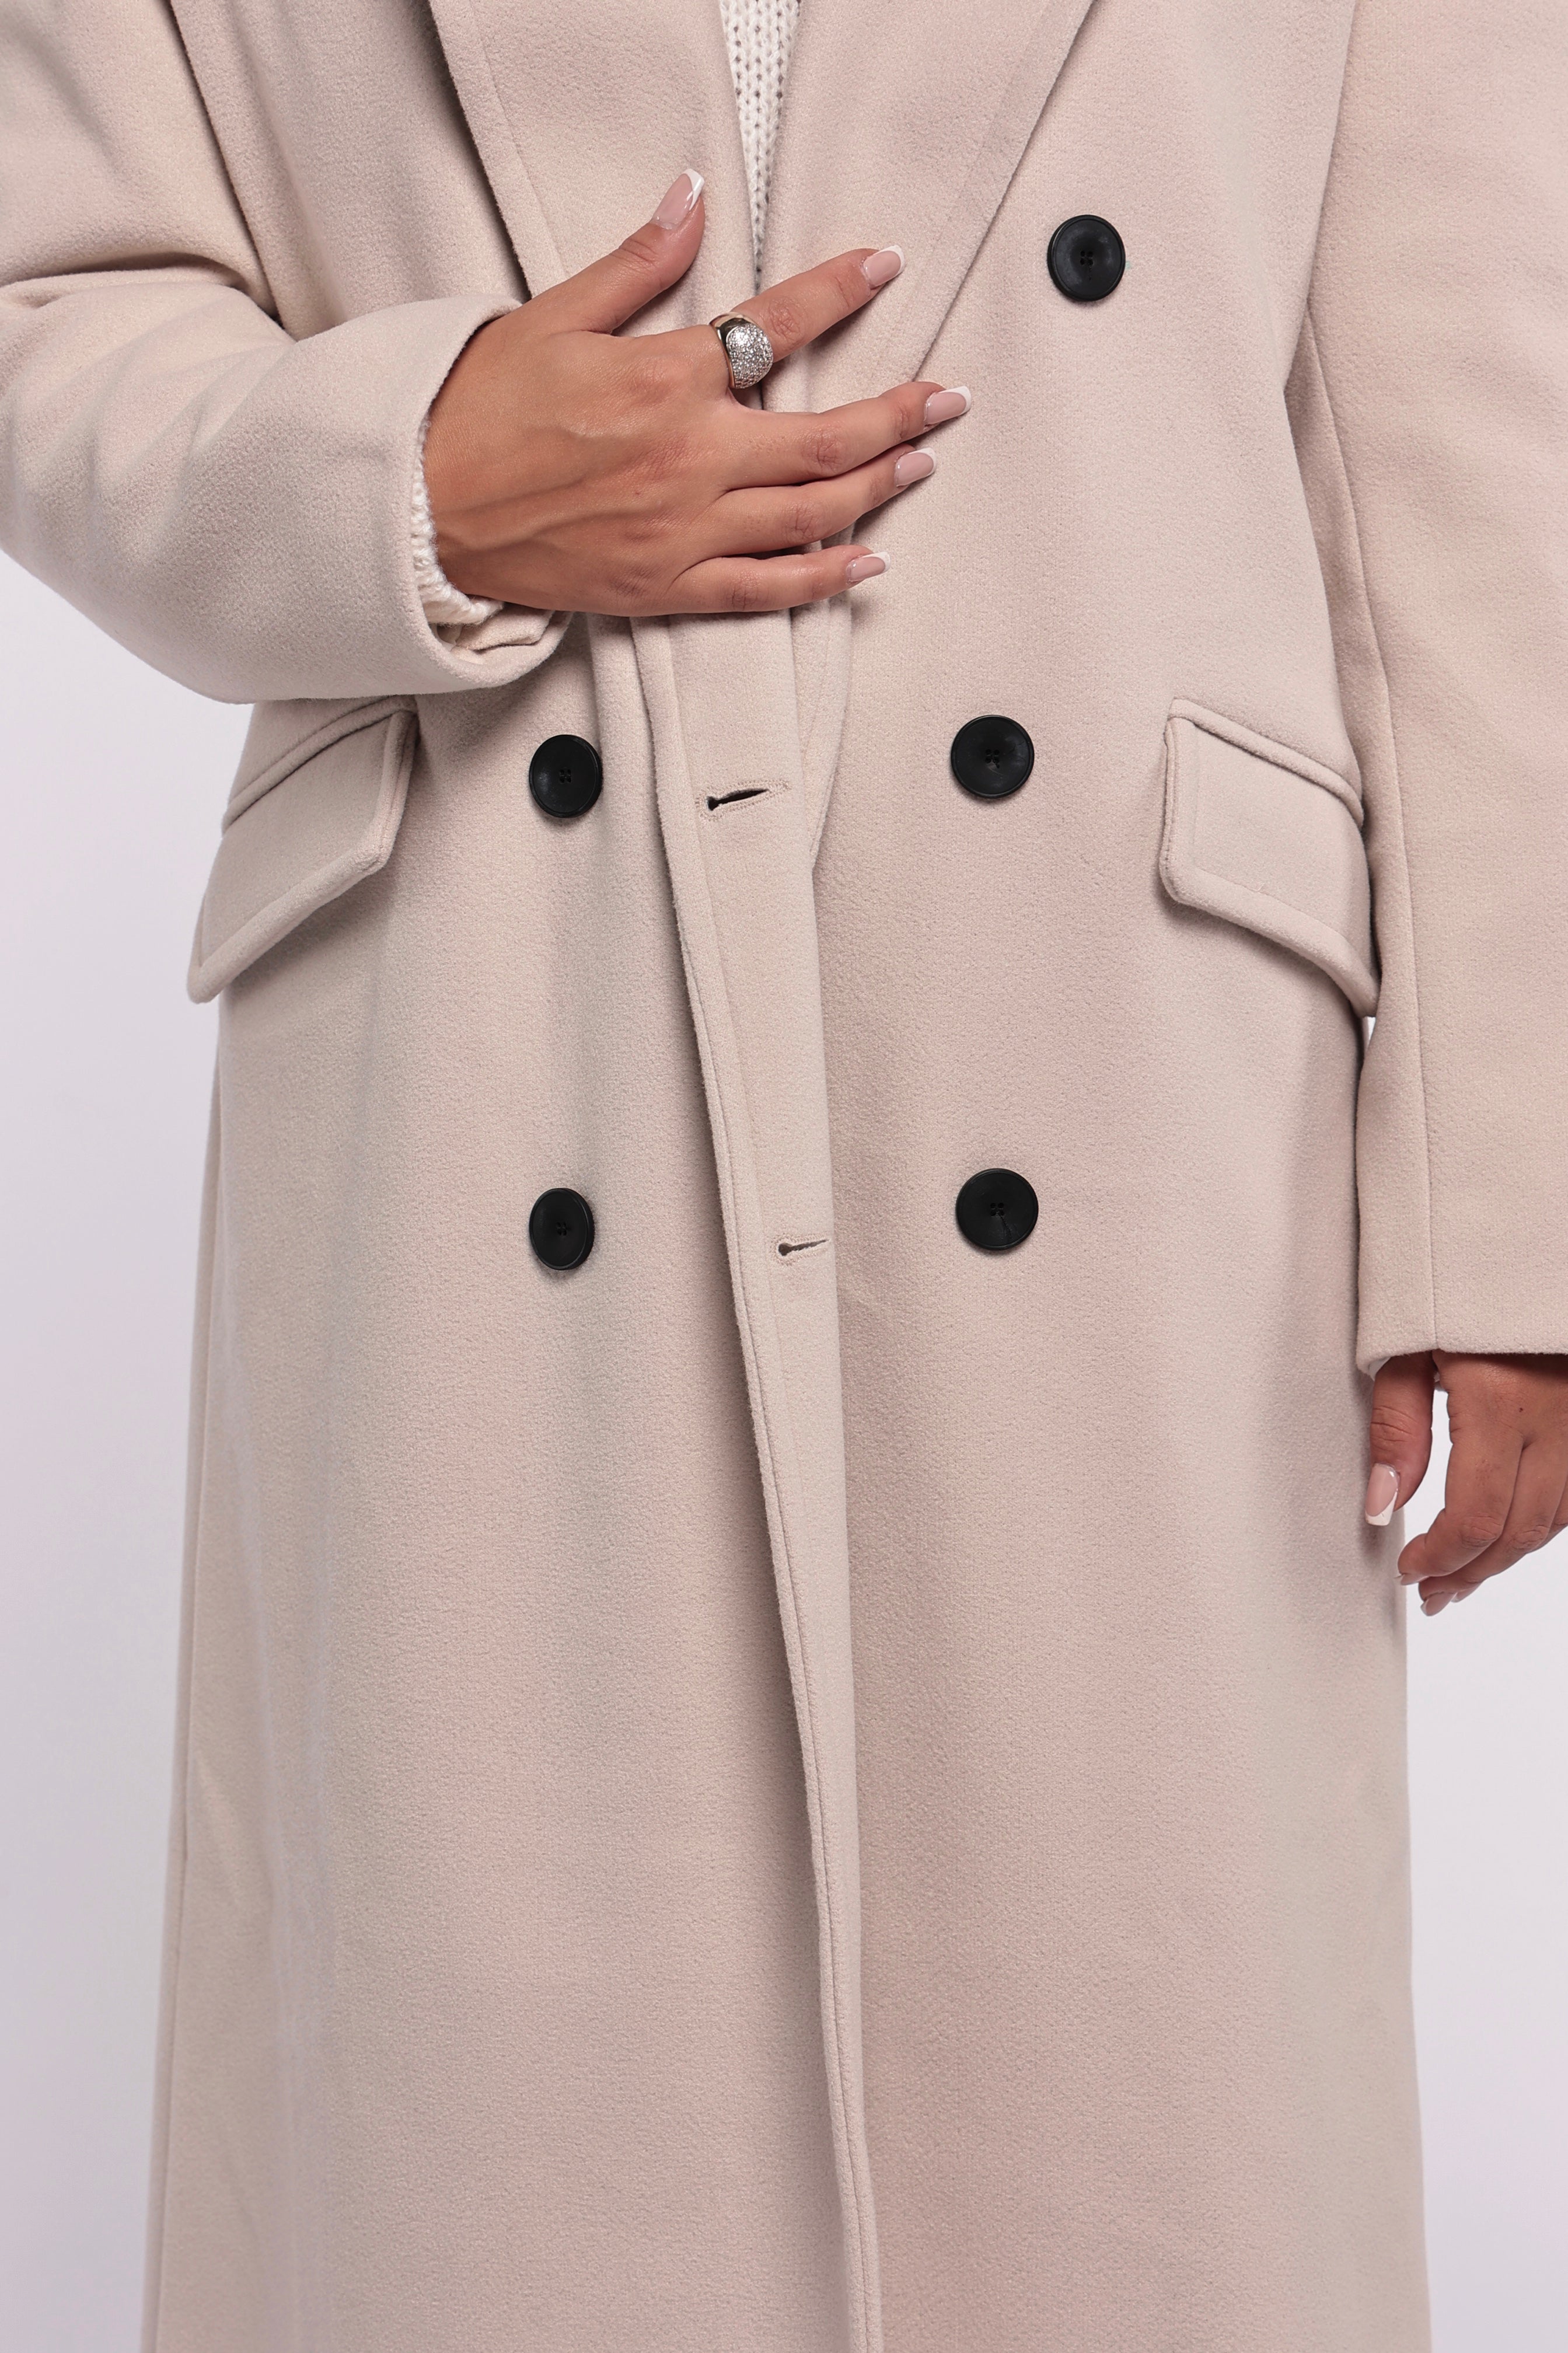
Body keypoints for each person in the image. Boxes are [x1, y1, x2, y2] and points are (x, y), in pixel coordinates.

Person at [1, 2, 1564, 2348]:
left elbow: (1466, 401)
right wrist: (406, 471)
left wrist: (1508, 1184)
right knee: (500, 2125)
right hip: (493, 1017)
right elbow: (52, 295)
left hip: (1118, 1059)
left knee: (1124, 2115)